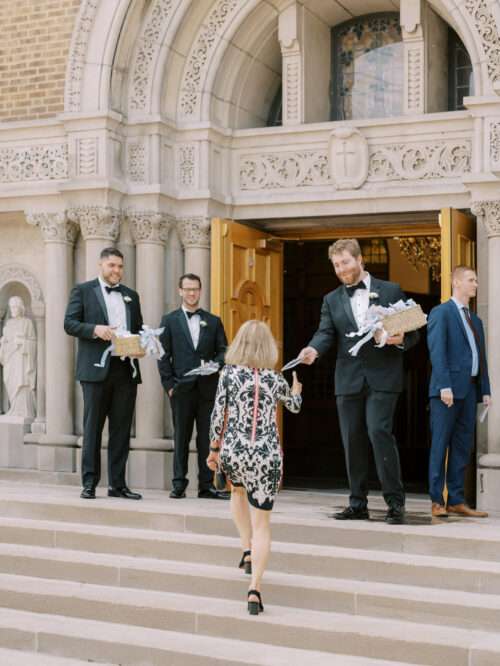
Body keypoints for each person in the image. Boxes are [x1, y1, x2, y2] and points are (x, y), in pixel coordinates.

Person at [298, 238, 418, 525]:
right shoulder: (331, 299)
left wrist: (397, 339)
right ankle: (357, 503)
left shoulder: (390, 290)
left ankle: (395, 502)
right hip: (348, 379)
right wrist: (313, 349)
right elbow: (326, 332)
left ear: (360, 260)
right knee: (352, 440)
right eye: (337, 265)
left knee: (378, 432)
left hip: (383, 377)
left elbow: (412, 332)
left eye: (346, 263)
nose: (341, 269)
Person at [207, 320, 302, 615]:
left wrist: (213, 449)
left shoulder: (228, 374)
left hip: (234, 450)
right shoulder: (275, 379)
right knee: (263, 523)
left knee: (237, 493)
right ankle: (255, 590)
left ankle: (246, 549)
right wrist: (296, 389)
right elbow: (295, 406)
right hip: (266, 455)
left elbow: (217, 414)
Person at [64, 247, 143, 500]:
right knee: (93, 429)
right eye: (112, 265)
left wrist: (141, 347)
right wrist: (95, 329)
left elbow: (138, 330)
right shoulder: (83, 290)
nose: (116, 270)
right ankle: (89, 483)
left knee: (121, 430)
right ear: (101, 265)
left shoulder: (132, 295)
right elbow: (69, 323)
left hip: (125, 370)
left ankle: (118, 485)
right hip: (95, 370)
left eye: (120, 266)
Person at [427, 265, 491, 518]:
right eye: (471, 279)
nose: (475, 284)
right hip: (446, 392)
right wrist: (444, 385)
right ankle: (436, 500)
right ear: (456, 283)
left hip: (470, 391)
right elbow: (437, 351)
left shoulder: (475, 319)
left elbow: (481, 357)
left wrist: (485, 390)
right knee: (440, 444)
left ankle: (456, 499)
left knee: (462, 446)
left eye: (476, 279)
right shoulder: (441, 312)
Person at [158, 273, 228, 499]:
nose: (191, 293)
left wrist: (216, 365)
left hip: (208, 389)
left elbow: (224, 351)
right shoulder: (169, 321)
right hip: (181, 389)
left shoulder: (214, 320)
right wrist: (169, 385)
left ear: (200, 290)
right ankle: (178, 484)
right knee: (181, 437)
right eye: (187, 289)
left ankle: (206, 486)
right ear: (180, 291)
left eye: (195, 289)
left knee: (207, 438)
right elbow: (162, 355)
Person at [0, 296, 37, 418]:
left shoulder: (27, 322)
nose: (13, 309)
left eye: (15, 306)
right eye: (11, 307)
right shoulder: (8, 324)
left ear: (21, 307)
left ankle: (23, 411)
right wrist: (3, 343)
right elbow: (5, 343)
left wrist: (23, 342)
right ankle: (13, 410)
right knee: (9, 380)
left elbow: (34, 343)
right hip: (10, 360)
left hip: (22, 359)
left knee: (21, 381)